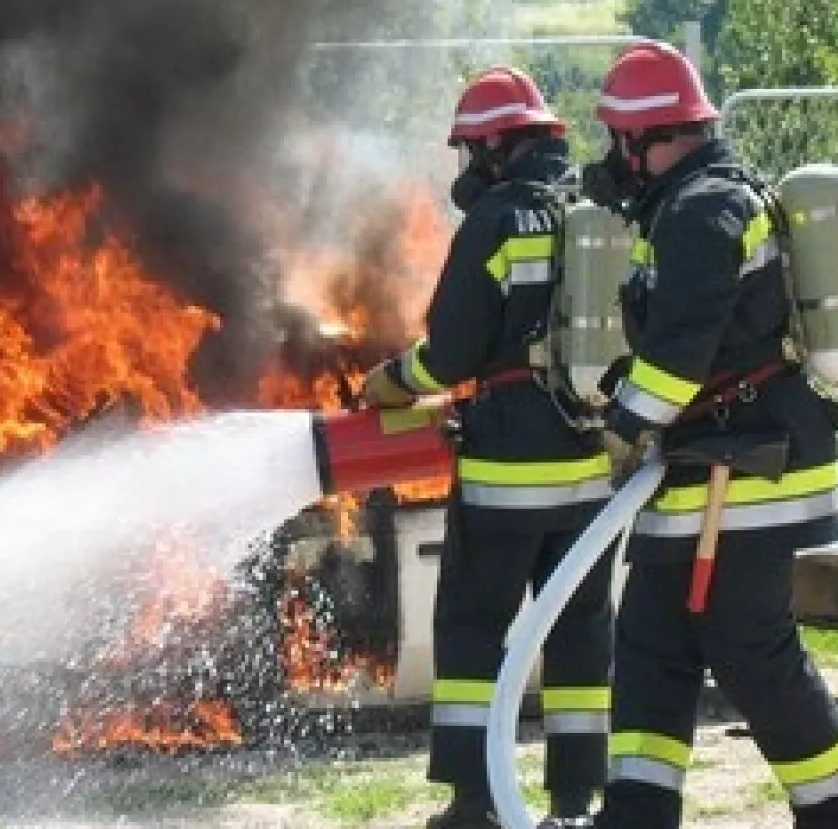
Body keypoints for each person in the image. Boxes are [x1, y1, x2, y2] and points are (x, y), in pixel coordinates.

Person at [584, 40, 838, 829]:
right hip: (703, 464)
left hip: (753, 467)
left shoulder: (700, 208)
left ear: (645, 138)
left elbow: (680, 350)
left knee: (747, 647)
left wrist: (624, 426)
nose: (611, 158)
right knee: (650, 642)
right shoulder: (684, 204)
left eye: (617, 139)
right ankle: (638, 811)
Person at [363, 66, 614, 829]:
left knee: (473, 629)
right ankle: (574, 800)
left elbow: (451, 353)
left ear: (499, 146)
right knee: (578, 632)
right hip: (591, 467)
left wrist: (389, 382)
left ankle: (474, 799)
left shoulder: (498, 220)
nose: (467, 166)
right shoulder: (597, 210)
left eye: (471, 149)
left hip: (507, 469)